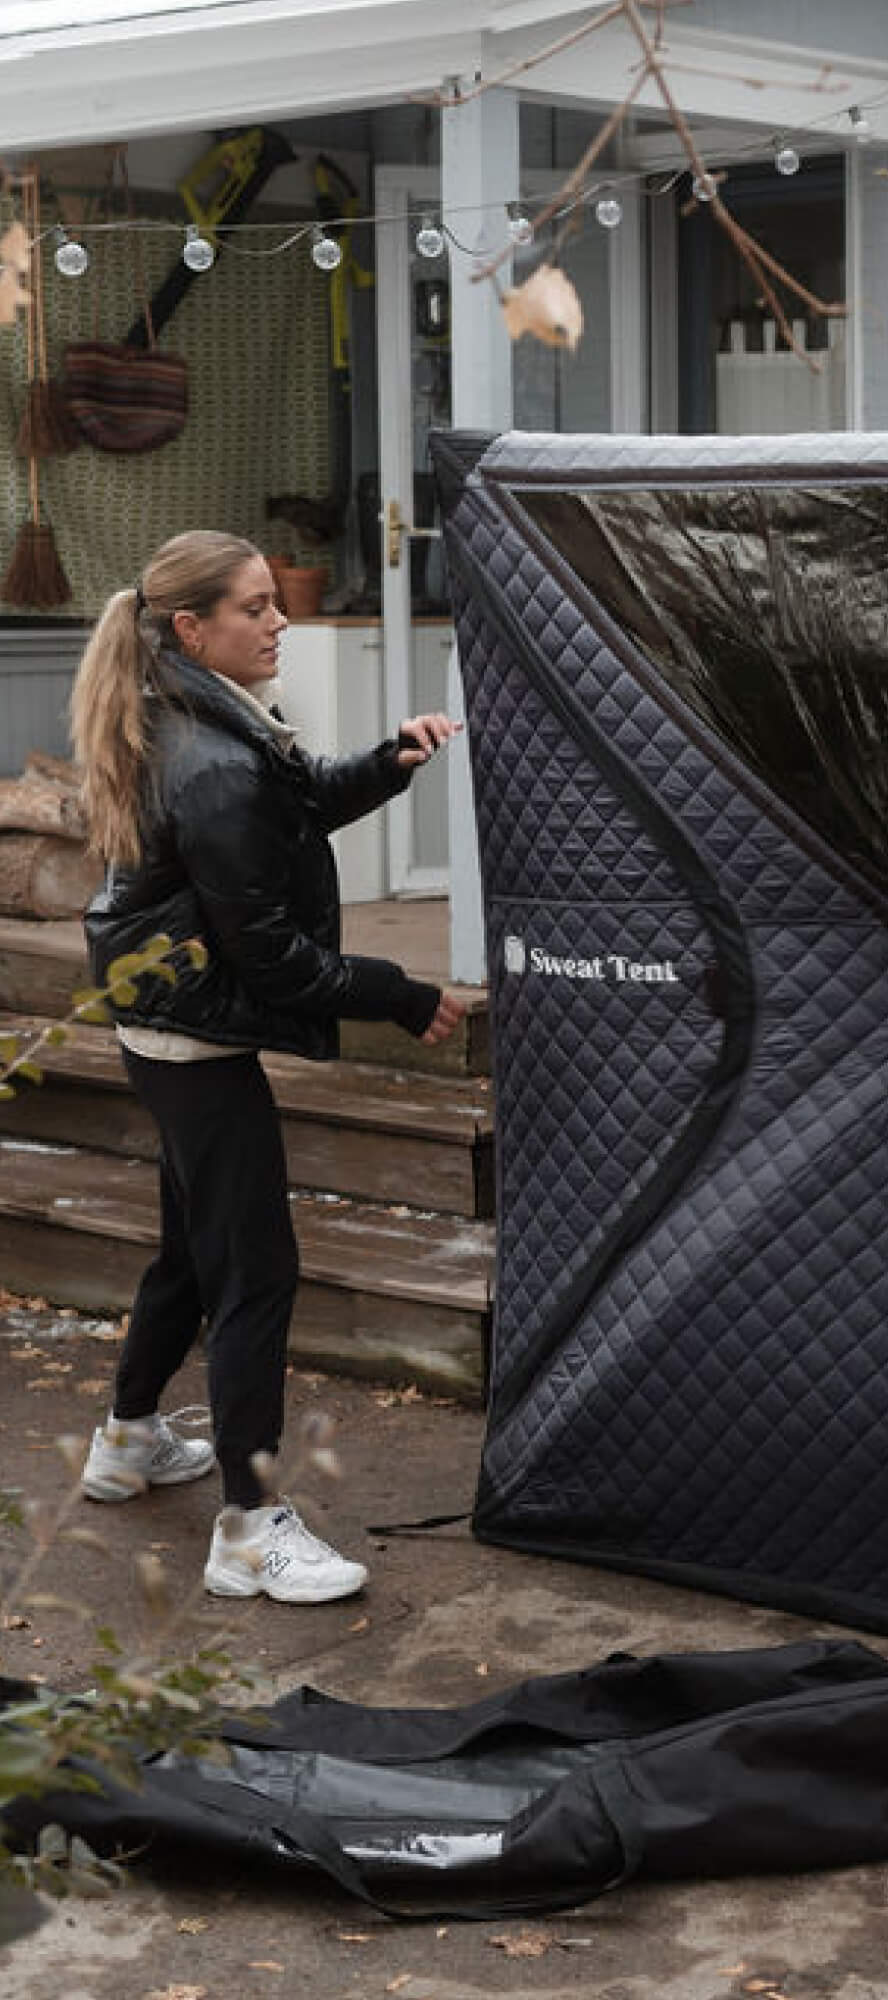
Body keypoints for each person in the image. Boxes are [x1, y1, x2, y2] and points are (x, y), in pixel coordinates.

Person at [67, 530, 466, 1605]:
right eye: (254, 606)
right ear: (193, 628)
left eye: (270, 602)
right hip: (192, 1035)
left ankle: (126, 1438)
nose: (278, 617)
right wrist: (404, 991)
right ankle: (249, 1529)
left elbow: (283, 809)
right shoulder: (208, 757)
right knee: (255, 1270)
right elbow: (275, 958)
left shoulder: (201, 713)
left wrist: (389, 761)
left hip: (160, 1018)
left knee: (194, 1253)